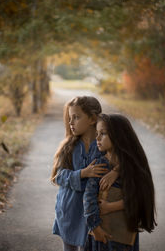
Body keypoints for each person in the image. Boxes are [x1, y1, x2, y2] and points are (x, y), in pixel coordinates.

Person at [51, 96, 119, 251]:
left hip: (92, 213)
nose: (71, 122)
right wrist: (82, 173)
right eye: (70, 118)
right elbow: (58, 176)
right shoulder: (68, 147)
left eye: (76, 117)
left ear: (92, 119)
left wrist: (115, 171)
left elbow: (125, 160)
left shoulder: (104, 143)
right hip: (68, 209)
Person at [83, 114, 157, 251]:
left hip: (124, 235)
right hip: (101, 232)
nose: (97, 138)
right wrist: (95, 227)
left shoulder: (133, 166)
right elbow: (88, 197)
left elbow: (140, 197)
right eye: (97, 133)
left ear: (118, 136)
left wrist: (110, 207)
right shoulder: (99, 164)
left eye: (103, 134)